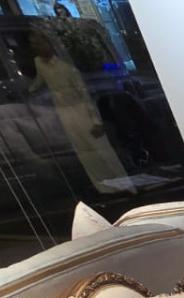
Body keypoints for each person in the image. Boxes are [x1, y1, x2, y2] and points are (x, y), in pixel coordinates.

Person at [29, 31, 126, 193]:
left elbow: (85, 96)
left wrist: (96, 121)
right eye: (33, 44)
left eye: (39, 43)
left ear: (49, 44)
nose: (36, 47)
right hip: (64, 112)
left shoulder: (67, 67)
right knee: (83, 152)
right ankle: (104, 188)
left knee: (101, 150)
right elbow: (40, 79)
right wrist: (30, 90)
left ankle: (125, 186)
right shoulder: (38, 62)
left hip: (81, 111)